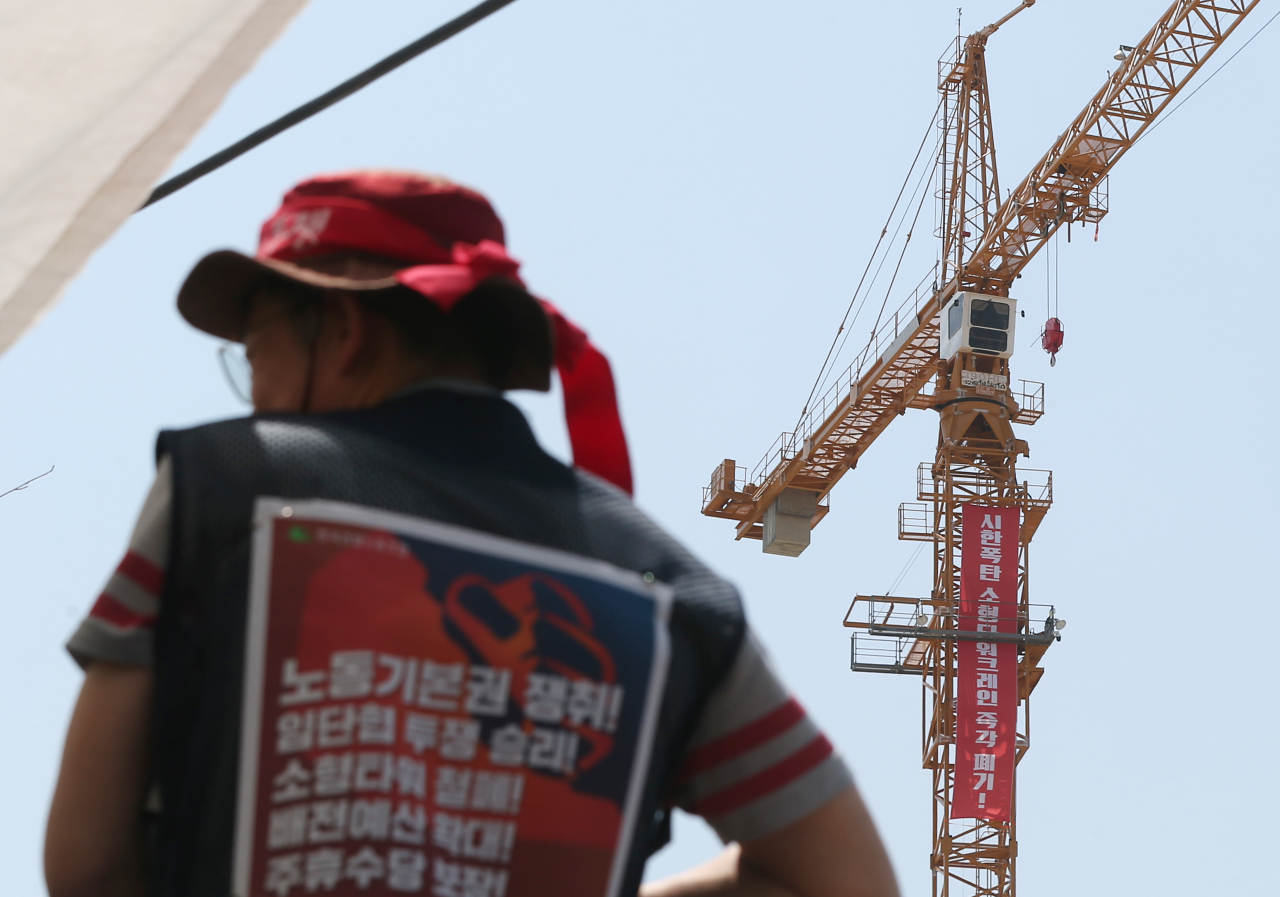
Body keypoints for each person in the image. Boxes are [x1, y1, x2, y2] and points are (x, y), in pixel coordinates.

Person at [45, 171, 899, 897]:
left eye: (256, 347)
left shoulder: (225, 487)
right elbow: (849, 879)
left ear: (344, 333)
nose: (253, 386)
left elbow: (84, 860)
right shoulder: (667, 589)